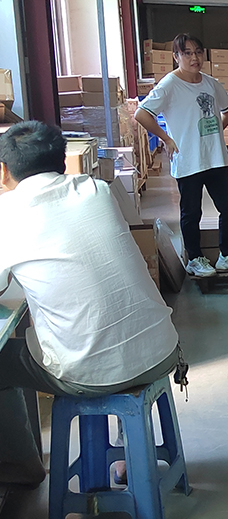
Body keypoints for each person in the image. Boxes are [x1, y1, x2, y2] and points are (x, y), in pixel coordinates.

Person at [0, 122, 180, 482]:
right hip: (161, 349)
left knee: (5, 362)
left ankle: (22, 470)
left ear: (3, 171)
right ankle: (130, 449)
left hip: (92, 373)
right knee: (109, 320)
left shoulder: (7, 213)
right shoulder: (96, 189)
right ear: (62, 161)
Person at [134, 34, 228, 278]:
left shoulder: (210, 83)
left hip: (216, 158)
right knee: (192, 212)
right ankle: (195, 259)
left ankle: (227, 255)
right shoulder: (169, 85)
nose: (194, 57)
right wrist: (166, 139)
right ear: (176, 57)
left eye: (198, 52)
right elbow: (141, 114)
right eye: (187, 53)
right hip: (188, 159)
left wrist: (216, 131)